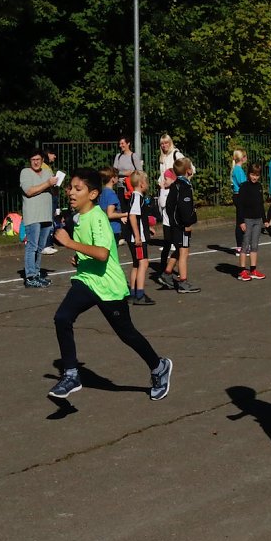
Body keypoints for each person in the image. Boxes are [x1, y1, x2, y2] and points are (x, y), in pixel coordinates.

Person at [47, 168, 172, 401]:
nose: (71, 193)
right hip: (87, 280)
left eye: (78, 189)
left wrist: (70, 244)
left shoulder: (98, 217)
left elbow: (103, 254)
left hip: (108, 285)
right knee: (62, 318)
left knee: (127, 334)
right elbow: (92, 250)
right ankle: (72, 373)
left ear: (93, 194)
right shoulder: (79, 218)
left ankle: (159, 366)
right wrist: (80, 257)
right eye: (70, 188)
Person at [159, 157, 201, 294]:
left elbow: (170, 207)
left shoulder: (175, 185)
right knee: (184, 252)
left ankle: (167, 273)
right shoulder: (185, 187)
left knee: (178, 250)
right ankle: (183, 282)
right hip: (182, 225)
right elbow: (185, 207)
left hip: (175, 223)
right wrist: (187, 223)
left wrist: (173, 220)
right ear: (188, 170)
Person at [20, 149, 58, 288]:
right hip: (33, 215)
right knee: (32, 246)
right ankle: (29, 277)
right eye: (33, 160)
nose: (35, 162)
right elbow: (29, 191)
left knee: (40, 247)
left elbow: (53, 192)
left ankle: (36, 274)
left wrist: (55, 185)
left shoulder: (48, 172)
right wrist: (48, 184)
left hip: (46, 215)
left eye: (38, 159)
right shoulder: (25, 172)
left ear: (42, 160)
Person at [157, 134, 191, 271]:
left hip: (174, 189)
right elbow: (163, 174)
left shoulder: (176, 154)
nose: (164, 145)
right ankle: (167, 267)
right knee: (166, 214)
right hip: (165, 189)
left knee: (174, 218)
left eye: (166, 143)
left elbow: (188, 168)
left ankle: (174, 269)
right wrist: (161, 182)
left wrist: (180, 182)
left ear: (170, 143)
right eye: (162, 144)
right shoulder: (162, 157)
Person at [235, 163, 267, 281]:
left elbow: (261, 204)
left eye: (257, 175)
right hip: (247, 220)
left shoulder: (259, 186)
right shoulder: (244, 187)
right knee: (245, 245)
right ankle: (242, 271)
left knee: (254, 245)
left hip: (257, 220)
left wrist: (265, 219)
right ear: (248, 174)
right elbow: (240, 206)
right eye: (253, 174)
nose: (255, 177)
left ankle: (253, 269)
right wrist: (241, 222)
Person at [127, 170, 155, 305]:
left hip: (136, 235)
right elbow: (132, 216)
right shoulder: (137, 197)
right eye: (147, 182)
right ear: (142, 183)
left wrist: (147, 227)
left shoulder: (135, 197)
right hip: (138, 238)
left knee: (136, 264)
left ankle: (132, 293)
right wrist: (138, 235)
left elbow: (137, 217)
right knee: (144, 263)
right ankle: (140, 294)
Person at [113, 135, 142, 214]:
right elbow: (114, 171)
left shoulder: (134, 156)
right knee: (122, 208)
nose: (120, 145)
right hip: (120, 186)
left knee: (131, 208)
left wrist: (132, 174)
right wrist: (124, 173)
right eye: (120, 144)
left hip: (130, 186)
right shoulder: (118, 156)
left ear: (128, 143)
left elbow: (140, 171)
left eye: (122, 143)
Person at [98, 167, 126, 246]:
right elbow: (110, 214)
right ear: (112, 179)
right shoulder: (111, 194)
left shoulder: (103, 193)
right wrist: (125, 214)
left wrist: (120, 216)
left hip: (104, 228)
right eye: (117, 176)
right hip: (112, 229)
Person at [42, 147, 60, 255]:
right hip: (49, 196)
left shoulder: (47, 167)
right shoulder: (45, 167)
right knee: (48, 220)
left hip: (52, 195)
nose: (55, 157)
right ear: (48, 154)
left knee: (51, 220)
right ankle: (46, 244)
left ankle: (48, 244)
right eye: (53, 154)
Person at [230, 149, 248, 255]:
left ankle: (241, 246)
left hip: (238, 195)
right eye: (245, 156)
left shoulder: (236, 169)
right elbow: (243, 184)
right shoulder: (238, 170)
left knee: (241, 220)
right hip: (240, 196)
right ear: (242, 158)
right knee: (241, 221)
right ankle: (240, 246)